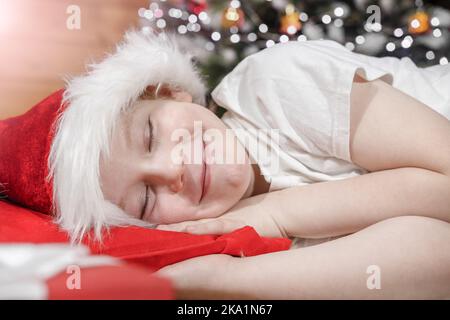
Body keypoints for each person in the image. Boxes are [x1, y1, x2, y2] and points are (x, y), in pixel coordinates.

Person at [2, 30, 449, 298]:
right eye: (144, 199)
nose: (170, 172)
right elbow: (435, 254)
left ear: (166, 91)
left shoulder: (273, 86)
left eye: (150, 136)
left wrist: (277, 213)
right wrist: (230, 281)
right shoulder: (238, 237)